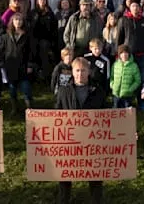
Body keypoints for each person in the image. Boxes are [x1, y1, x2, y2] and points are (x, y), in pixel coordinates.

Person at [54, 57, 108, 203]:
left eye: (83, 71)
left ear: (89, 71)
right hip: (69, 142)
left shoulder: (98, 91)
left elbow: (108, 117)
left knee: (95, 176)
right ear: (72, 72)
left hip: (93, 141)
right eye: (77, 71)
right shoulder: (64, 91)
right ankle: (64, 199)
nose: (80, 74)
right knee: (65, 176)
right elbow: (55, 115)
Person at [0, 12, 35, 113]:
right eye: (16, 20)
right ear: (12, 22)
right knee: (12, 89)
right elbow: (1, 51)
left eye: (20, 20)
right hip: (10, 66)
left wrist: (30, 64)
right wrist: (1, 62)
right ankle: (14, 108)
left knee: (26, 88)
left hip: (23, 66)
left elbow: (31, 51)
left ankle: (29, 108)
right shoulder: (6, 36)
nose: (18, 22)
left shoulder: (27, 36)